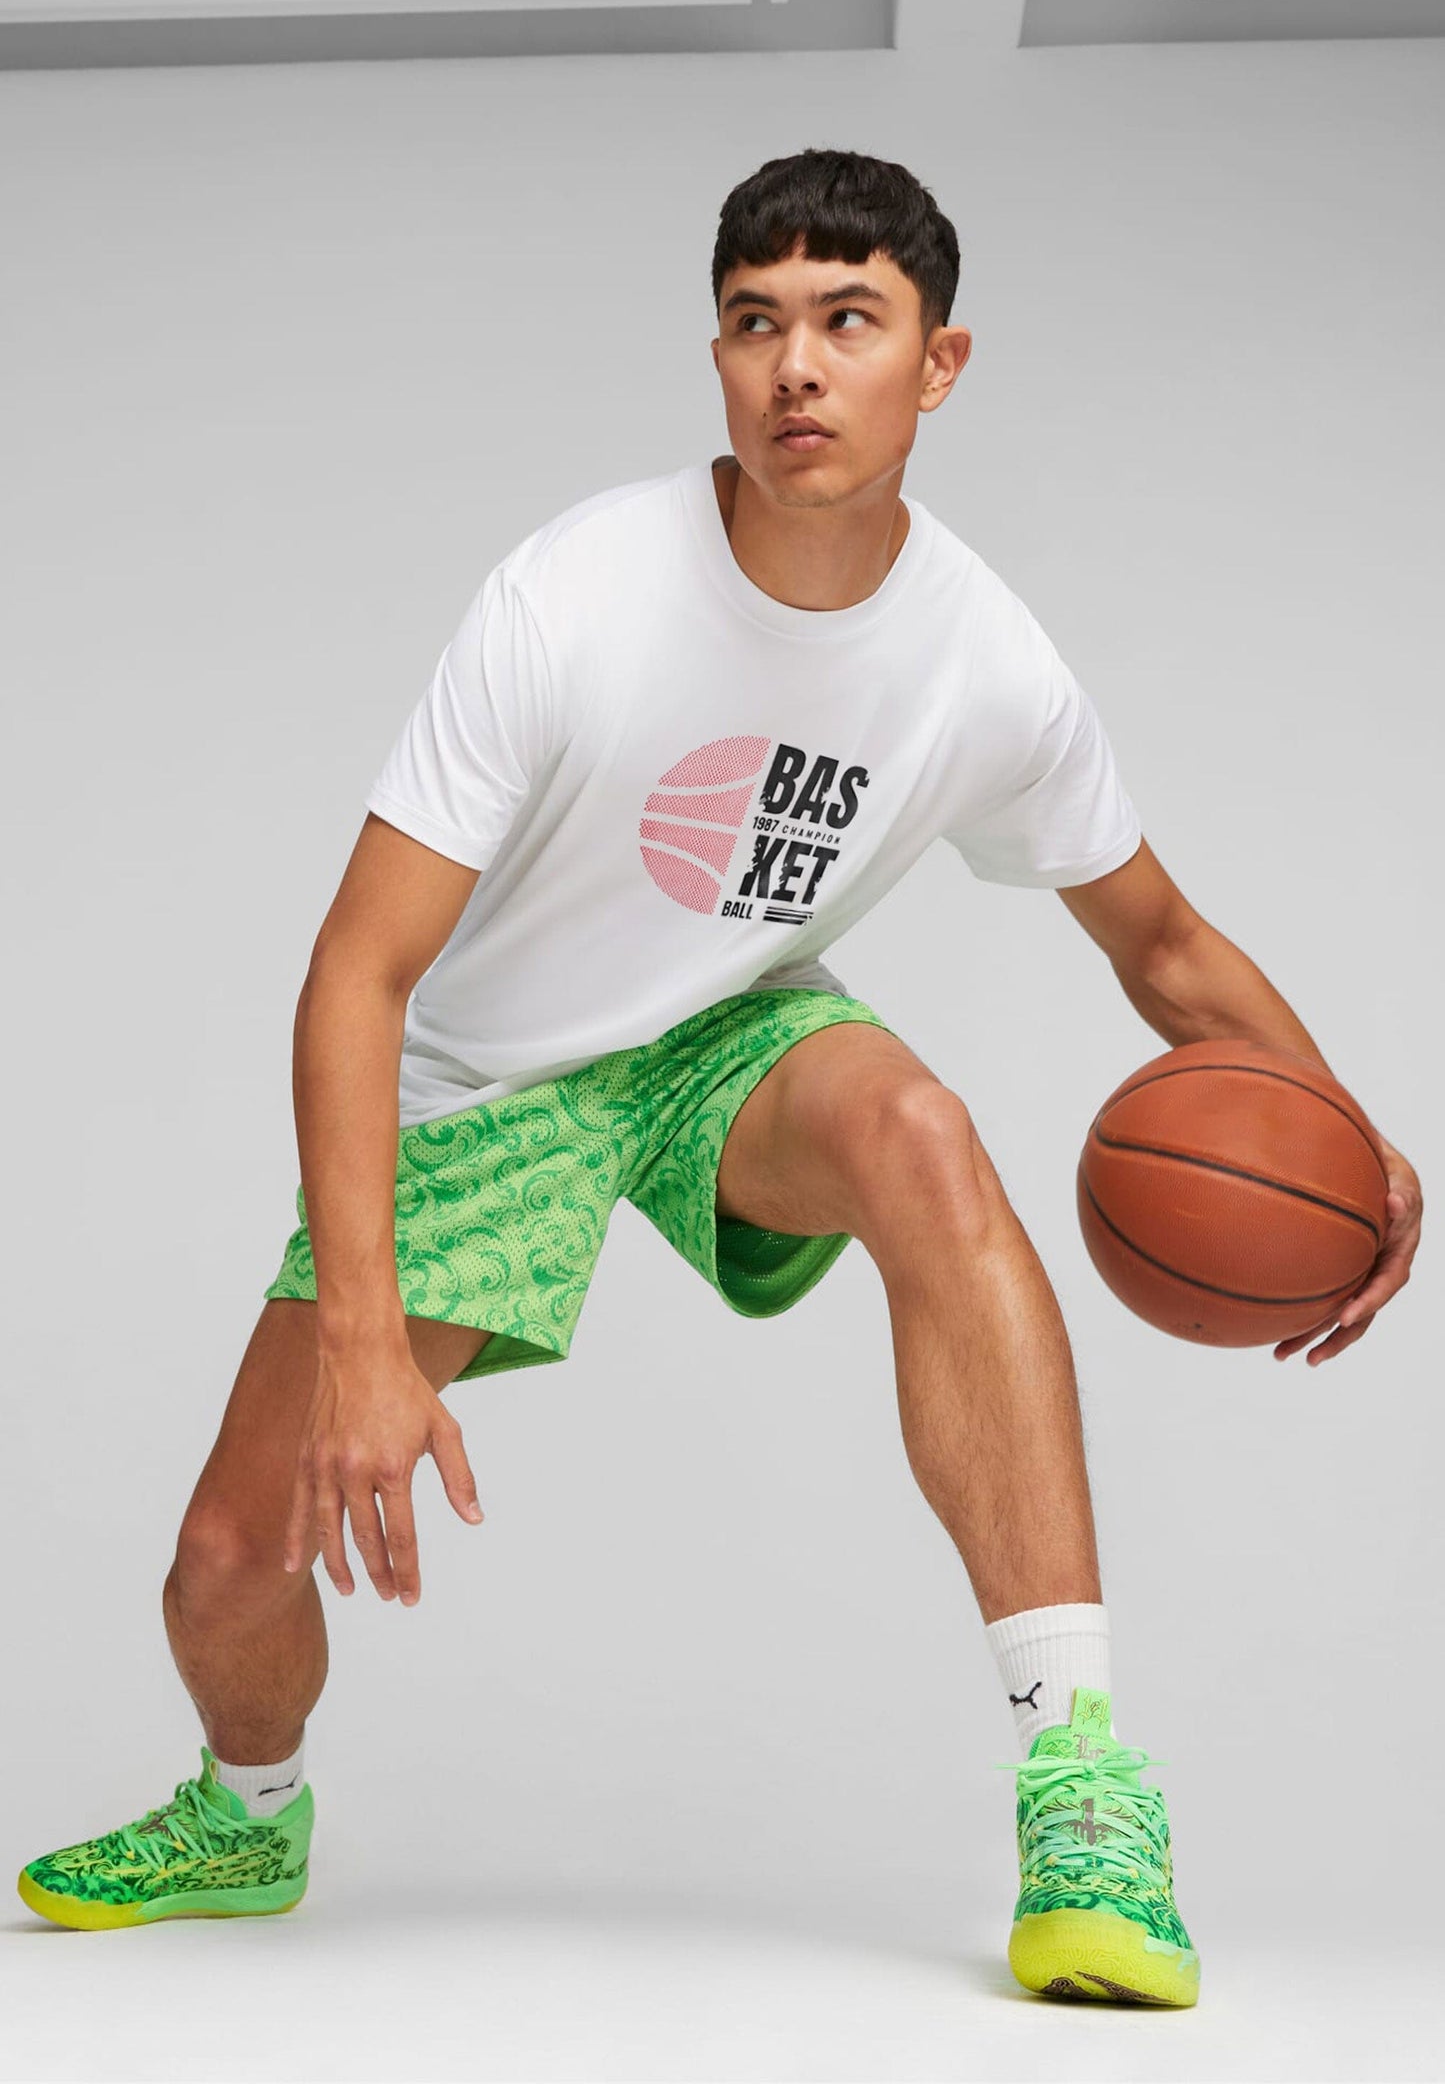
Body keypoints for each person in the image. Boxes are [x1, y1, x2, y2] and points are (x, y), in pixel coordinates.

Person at [18, 148, 1421, 2006]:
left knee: (919, 1132)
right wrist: (360, 1333)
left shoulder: (984, 661)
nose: (798, 367)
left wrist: (1350, 1145)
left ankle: (1080, 1781)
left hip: (723, 1037)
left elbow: (1159, 943)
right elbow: (357, 972)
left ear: (939, 364)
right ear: (718, 358)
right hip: (492, 1080)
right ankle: (246, 1811)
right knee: (225, 1564)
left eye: (851, 322)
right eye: (757, 324)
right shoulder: (575, 592)